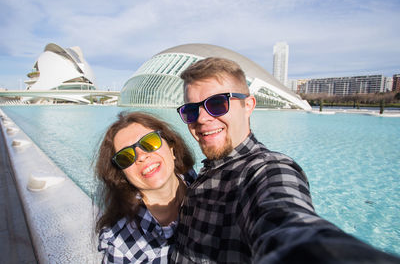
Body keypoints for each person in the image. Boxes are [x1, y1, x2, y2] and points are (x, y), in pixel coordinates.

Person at [172, 57, 400, 263]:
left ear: (248, 105)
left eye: (217, 104)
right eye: (191, 110)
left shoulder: (265, 170)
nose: (202, 119)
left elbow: (286, 220)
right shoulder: (210, 170)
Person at [95, 112, 196, 263]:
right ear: (122, 175)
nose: (141, 156)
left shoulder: (204, 184)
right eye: (126, 156)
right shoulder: (122, 245)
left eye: (149, 142)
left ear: (171, 149)